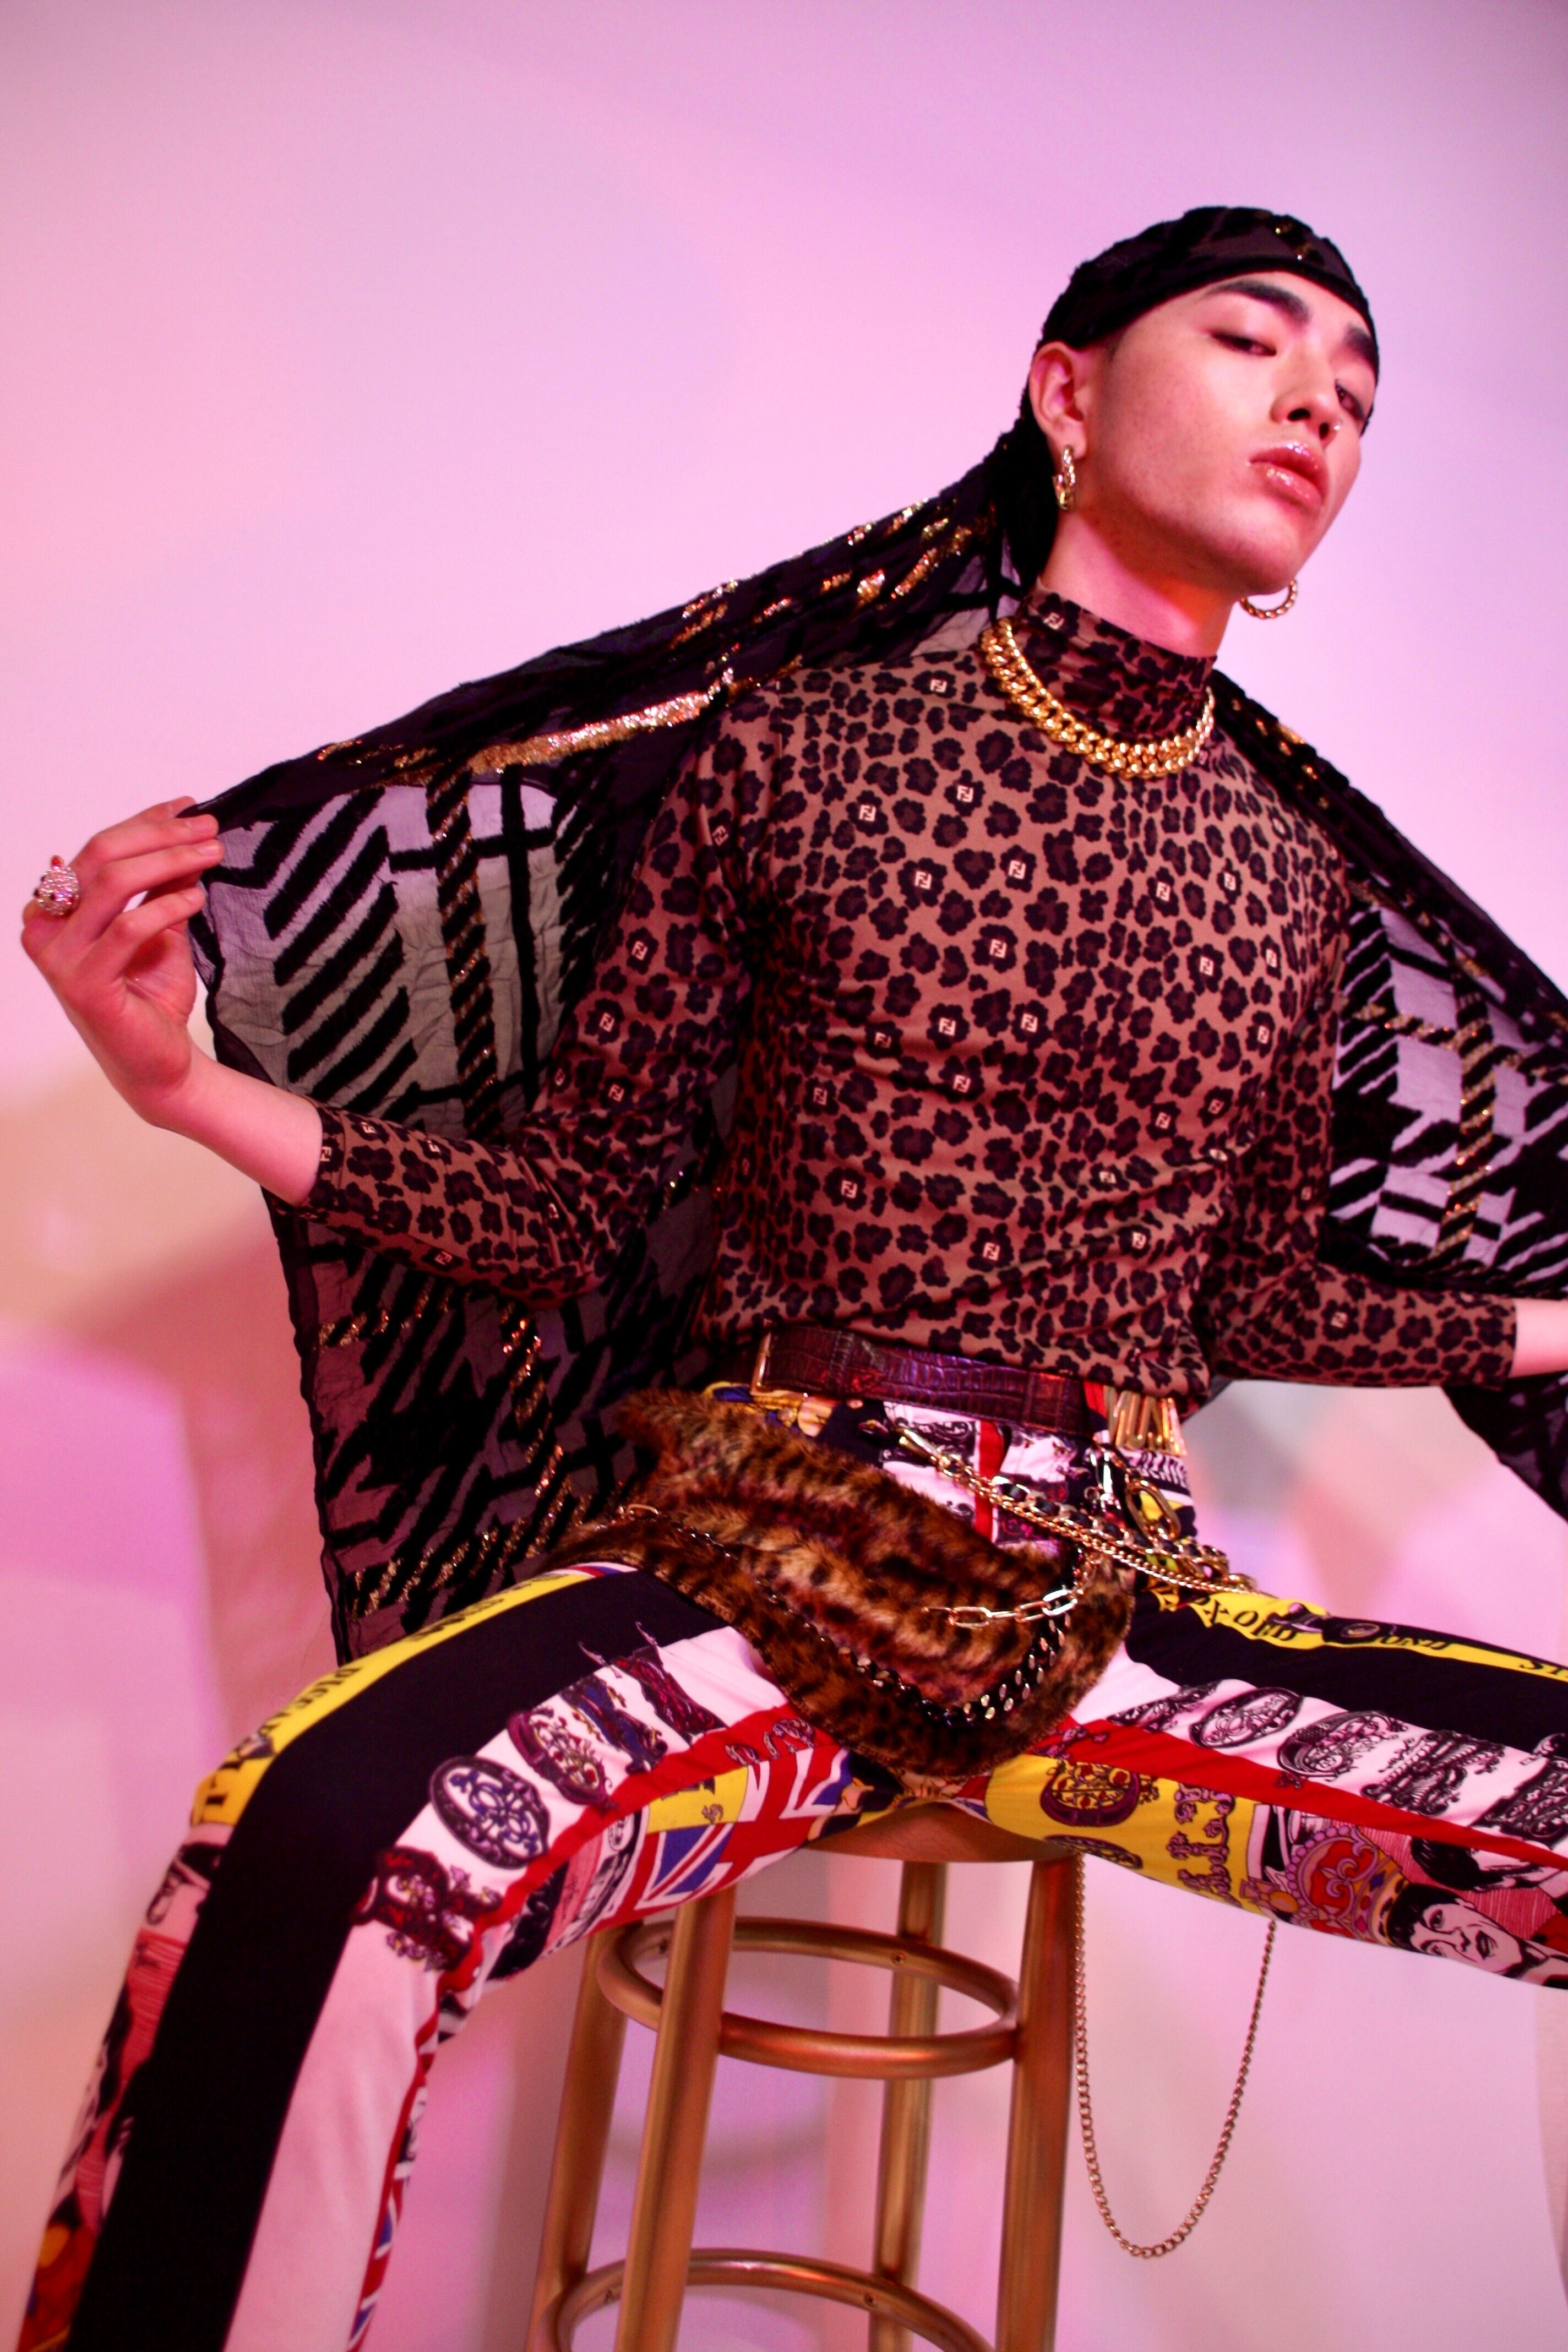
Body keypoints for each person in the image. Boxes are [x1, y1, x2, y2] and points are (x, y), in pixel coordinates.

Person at [17, 206, 1568, 2352]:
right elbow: (559, 1216)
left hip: (1128, 1612)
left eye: (1360, 393)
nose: (1319, 402)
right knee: (307, 1845)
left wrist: (1552, 1322)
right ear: (1066, 391)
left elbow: (1251, 1311)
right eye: (1252, 340)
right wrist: (183, 1087)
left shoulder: (1292, 876)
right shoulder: (801, 754)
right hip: (773, 1559)